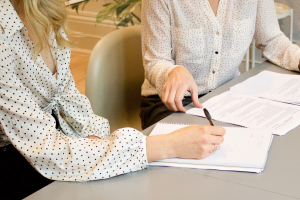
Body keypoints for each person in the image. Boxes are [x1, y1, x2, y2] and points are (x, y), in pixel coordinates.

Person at [0, 0, 225, 199]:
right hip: (18, 157)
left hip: (53, 140)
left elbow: (67, 98)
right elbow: (47, 150)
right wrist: (167, 145)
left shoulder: (45, 10)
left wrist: (94, 139)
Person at [140, 0, 300, 129]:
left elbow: (272, 40)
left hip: (227, 97)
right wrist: (172, 72)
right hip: (172, 104)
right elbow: (155, 61)